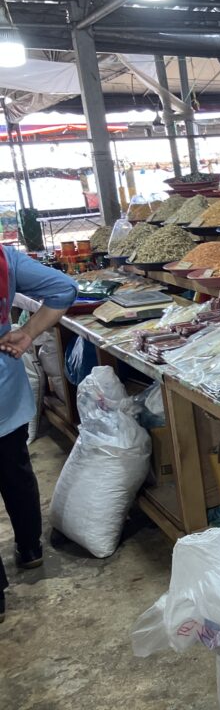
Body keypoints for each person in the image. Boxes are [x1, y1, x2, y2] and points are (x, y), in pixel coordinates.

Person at [0, 246, 77, 622]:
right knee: (14, 470)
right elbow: (63, 288)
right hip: (3, 387)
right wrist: (27, 332)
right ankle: (30, 550)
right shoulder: (5, 259)